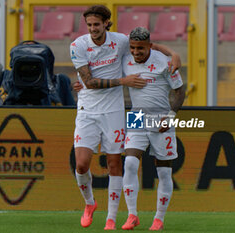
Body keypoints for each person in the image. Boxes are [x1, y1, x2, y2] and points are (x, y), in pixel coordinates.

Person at [70, 5, 181, 230]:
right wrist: (89, 84)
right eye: (89, 25)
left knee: (152, 168)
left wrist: (173, 53)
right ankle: (112, 209)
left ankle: (143, 218)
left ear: (106, 23)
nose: (136, 52)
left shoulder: (141, 52)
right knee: (107, 163)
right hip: (118, 114)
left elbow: (177, 88)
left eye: (97, 24)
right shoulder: (97, 50)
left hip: (142, 115)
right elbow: (92, 80)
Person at [121, 27, 185, 231]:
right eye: (132, 48)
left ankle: (159, 218)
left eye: (140, 48)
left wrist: (171, 117)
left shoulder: (164, 62)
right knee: (130, 163)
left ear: (149, 46)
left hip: (161, 118)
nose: (135, 52)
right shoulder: (125, 59)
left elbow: (179, 92)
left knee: (164, 172)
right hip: (137, 116)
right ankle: (132, 215)